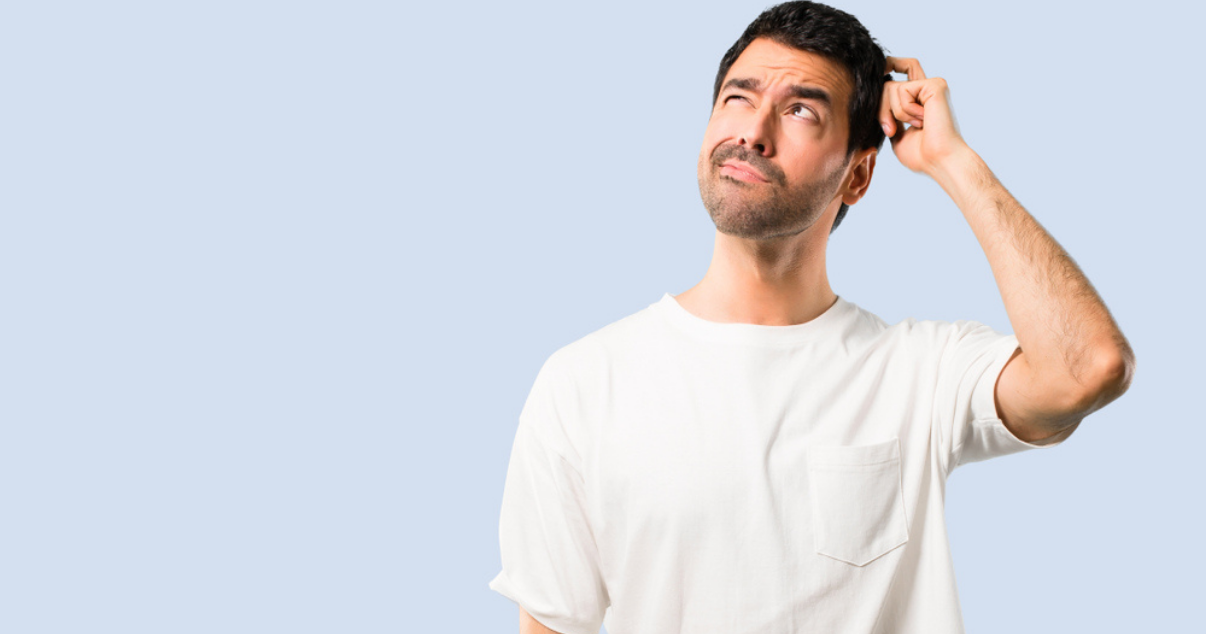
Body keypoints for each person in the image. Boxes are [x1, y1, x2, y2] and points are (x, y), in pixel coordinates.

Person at [488, 2, 1135, 633]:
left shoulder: (919, 375)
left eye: (800, 109)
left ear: (857, 176)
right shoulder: (583, 384)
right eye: (737, 98)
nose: (753, 131)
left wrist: (952, 162)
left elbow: (1088, 368)